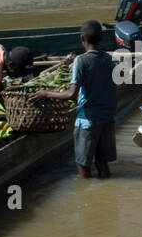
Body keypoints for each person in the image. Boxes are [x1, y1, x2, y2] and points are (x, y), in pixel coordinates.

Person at [33, 20, 117, 178]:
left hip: (88, 120)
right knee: (102, 162)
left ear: (83, 38)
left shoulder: (81, 60)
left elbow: (71, 94)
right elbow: (101, 86)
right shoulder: (108, 59)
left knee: (83, 163)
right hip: (107, 118)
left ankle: (86, 195)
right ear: (102, 38)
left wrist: (46, 93)